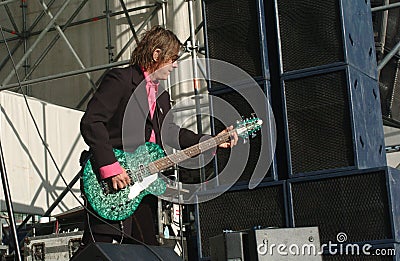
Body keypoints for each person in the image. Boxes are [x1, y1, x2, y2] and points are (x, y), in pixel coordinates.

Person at [73, 25, 238, 257]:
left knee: (145, 251)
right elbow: (92, 121)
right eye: (173, 59)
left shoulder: (161, 95)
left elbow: (169, 131)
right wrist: (110, 167)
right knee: (101, 250)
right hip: (112, 183)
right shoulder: (121, 80)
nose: (175, 65)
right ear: (156, 55)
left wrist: (210, 140)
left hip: (144, 185)